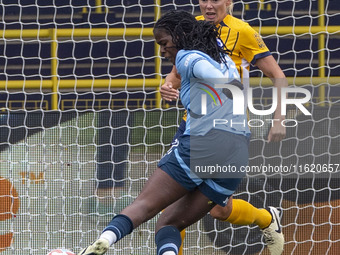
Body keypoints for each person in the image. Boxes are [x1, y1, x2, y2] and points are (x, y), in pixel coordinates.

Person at [78, 10, 254, 255]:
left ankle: (103, 241)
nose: (162, 51)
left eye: (163, 43)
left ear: (180, 36)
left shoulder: (187, 56)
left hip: (204, 145)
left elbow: (210, 74)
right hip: (237, 153)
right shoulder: (223, 56)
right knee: (168, 223)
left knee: (144, 206)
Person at [160, 1, 287, 254]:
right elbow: (175, 73)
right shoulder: (189, 28)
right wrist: (167, 86)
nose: (208, 5)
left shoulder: (243, 32)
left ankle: (266, 219)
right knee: (170, 202)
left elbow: (278, 76)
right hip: (192, 127)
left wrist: (279, 119)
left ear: (229, 2)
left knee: (220, 210)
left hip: (227, 130)